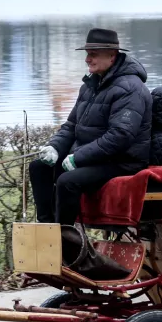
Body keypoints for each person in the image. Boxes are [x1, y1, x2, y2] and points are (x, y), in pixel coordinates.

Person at [29, 28, 152, 226]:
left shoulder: (131, 88)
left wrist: (79, 157)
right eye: (87, 54)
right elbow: (71, 126)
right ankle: (47, 228)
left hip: (121, 161)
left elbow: (120, 136)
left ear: (112, 56)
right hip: (94, 157)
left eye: (93, 54)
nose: (87, 59)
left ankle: (66, 239)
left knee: (67, 181)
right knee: (39, 167)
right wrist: (55, 147)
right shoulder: (90, 86)